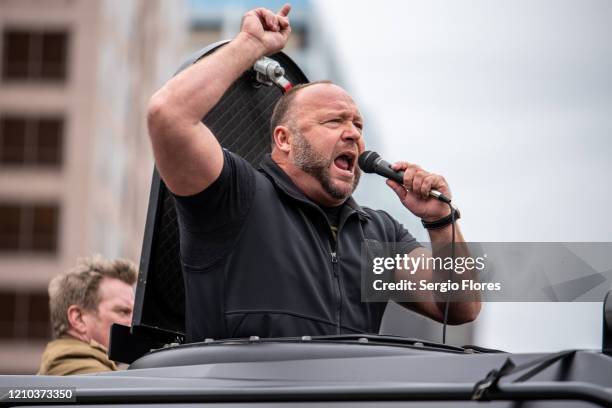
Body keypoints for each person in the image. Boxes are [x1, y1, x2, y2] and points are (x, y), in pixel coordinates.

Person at [147, 4, 480, 342]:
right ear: (285, 139)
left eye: (358, 125)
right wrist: (250, 44)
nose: (353, 134)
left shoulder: (377, 233)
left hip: (338, 395)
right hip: (240, 394)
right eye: (334, 121)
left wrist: (441, 222)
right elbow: (168, 115)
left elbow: (459, 307)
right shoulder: (235, 195)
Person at [38, 256, 137, 375]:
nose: (134, 322)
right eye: (123, 311)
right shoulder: (76, 367)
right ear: (78, 319)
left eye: (134, 313)